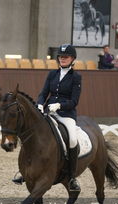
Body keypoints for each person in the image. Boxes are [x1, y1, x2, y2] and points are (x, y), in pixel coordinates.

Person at [12, 44, 82, 192]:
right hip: (48, 111)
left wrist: (59, 106)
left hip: (66, 115)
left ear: (72, 59)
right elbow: (44, 93)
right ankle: (24, 171)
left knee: (73, 140)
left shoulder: (76, 77)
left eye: (66, 57)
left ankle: (71, 177)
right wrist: (39, 104)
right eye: (61, 57)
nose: (62, 59)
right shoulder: (52, 74)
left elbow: (74, 101)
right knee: (32, 134)